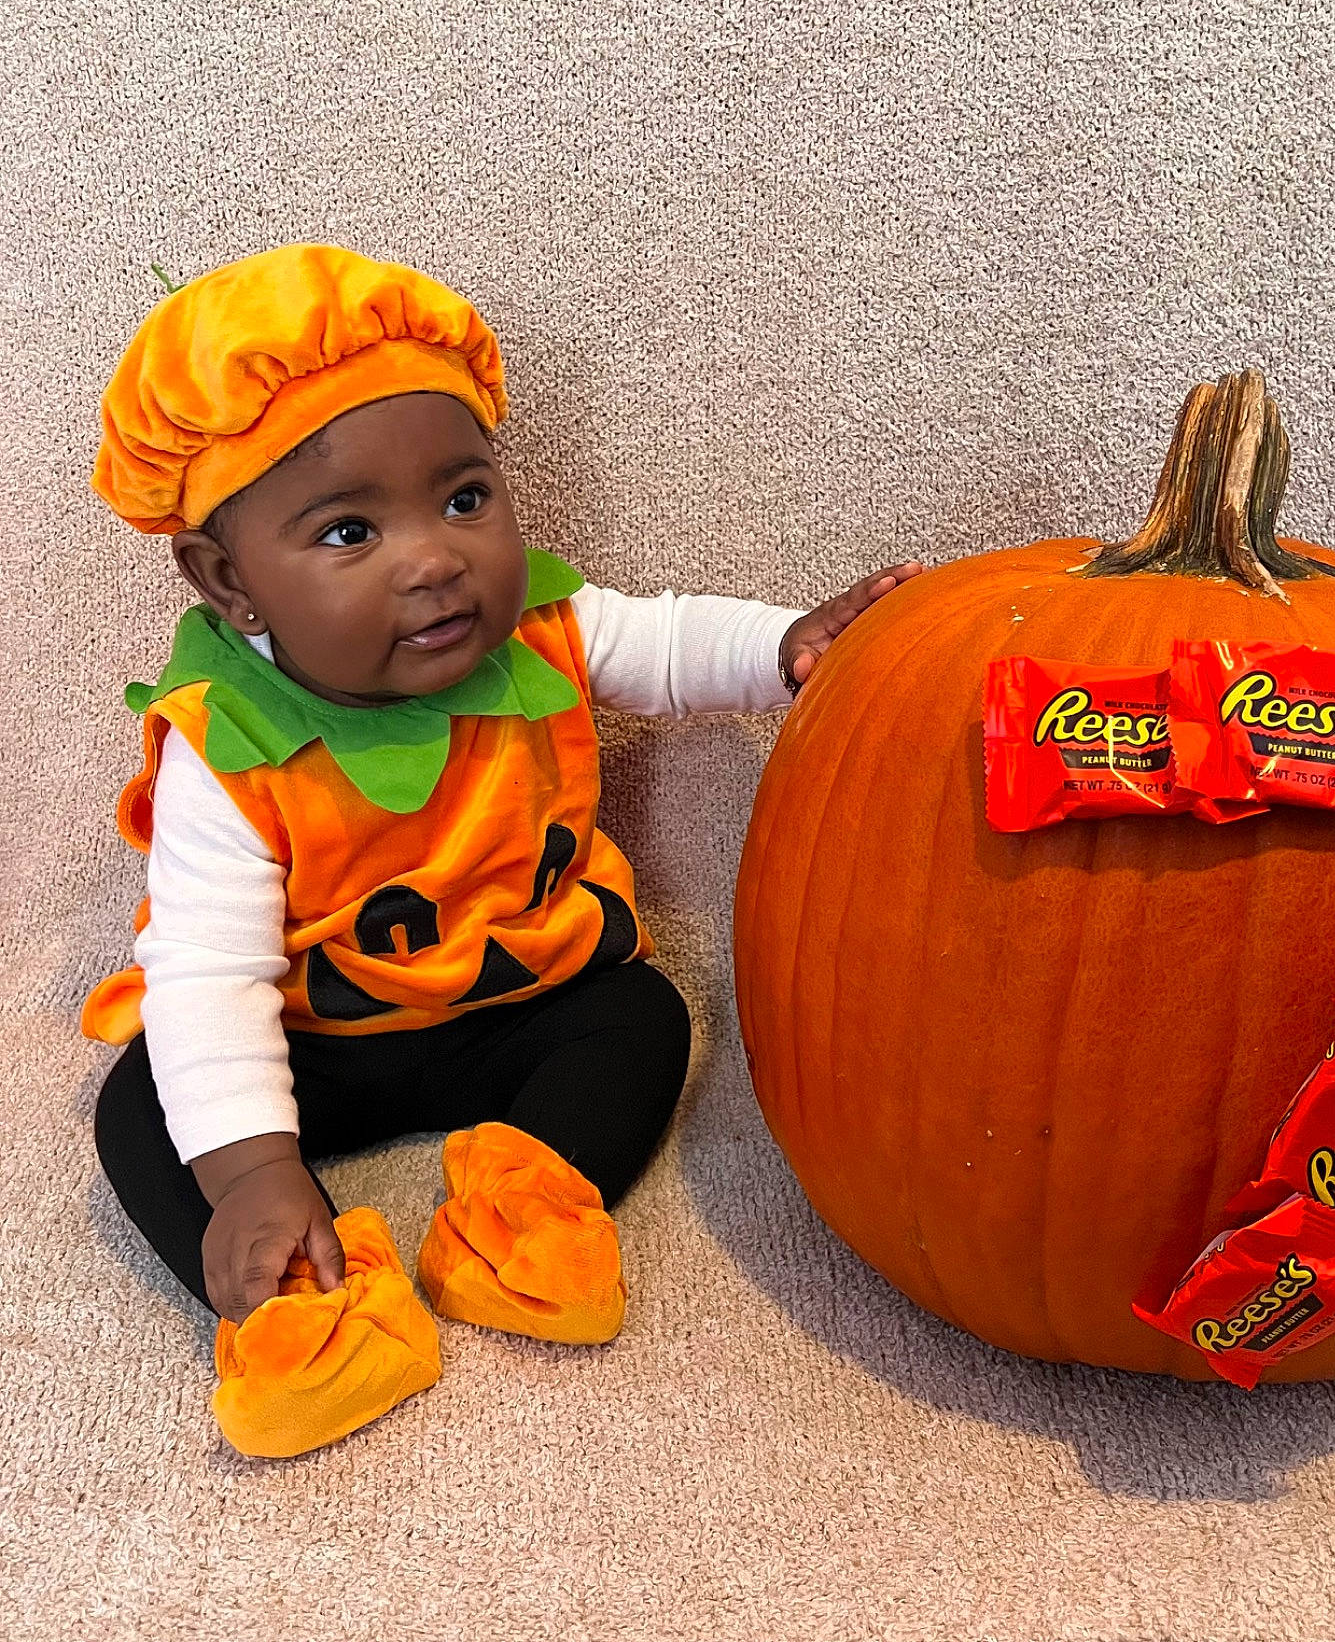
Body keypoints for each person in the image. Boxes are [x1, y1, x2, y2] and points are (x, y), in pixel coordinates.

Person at [84, 241, 921, 1458]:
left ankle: (517, 1205)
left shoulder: (538, 629)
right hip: (321, 1037)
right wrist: (253, 1163)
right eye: (348, 530)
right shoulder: (228, 748)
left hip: (522, 999)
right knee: (147, 1106)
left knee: (644, 1017)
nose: (434, 557)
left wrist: (788, 643)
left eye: (464, 497)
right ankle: (307, 1301)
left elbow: (669, 644)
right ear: (230, 582)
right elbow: (209, 976)